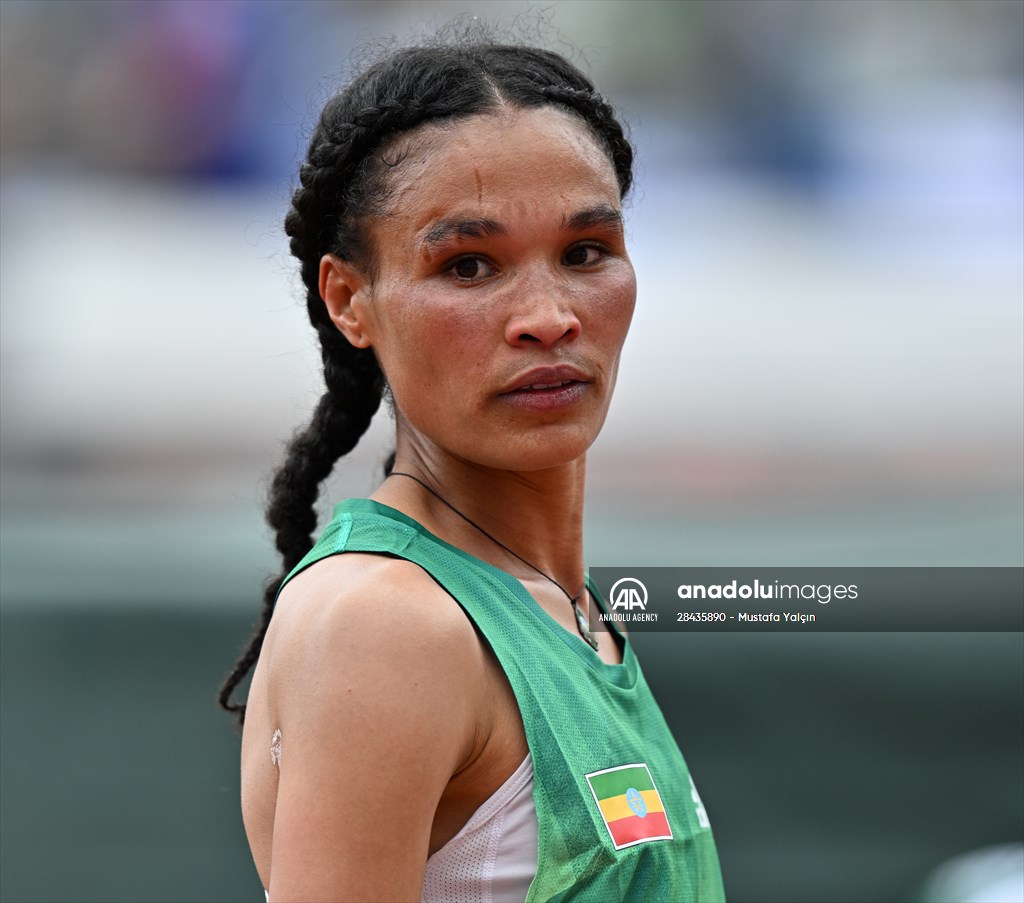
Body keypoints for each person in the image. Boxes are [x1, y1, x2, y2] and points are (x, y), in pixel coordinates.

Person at [220, 28, 726, 903]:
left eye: (585, 252)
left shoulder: (565, 607)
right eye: (468, 265)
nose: (548, 316)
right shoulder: (388, 624)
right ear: (350, 299)